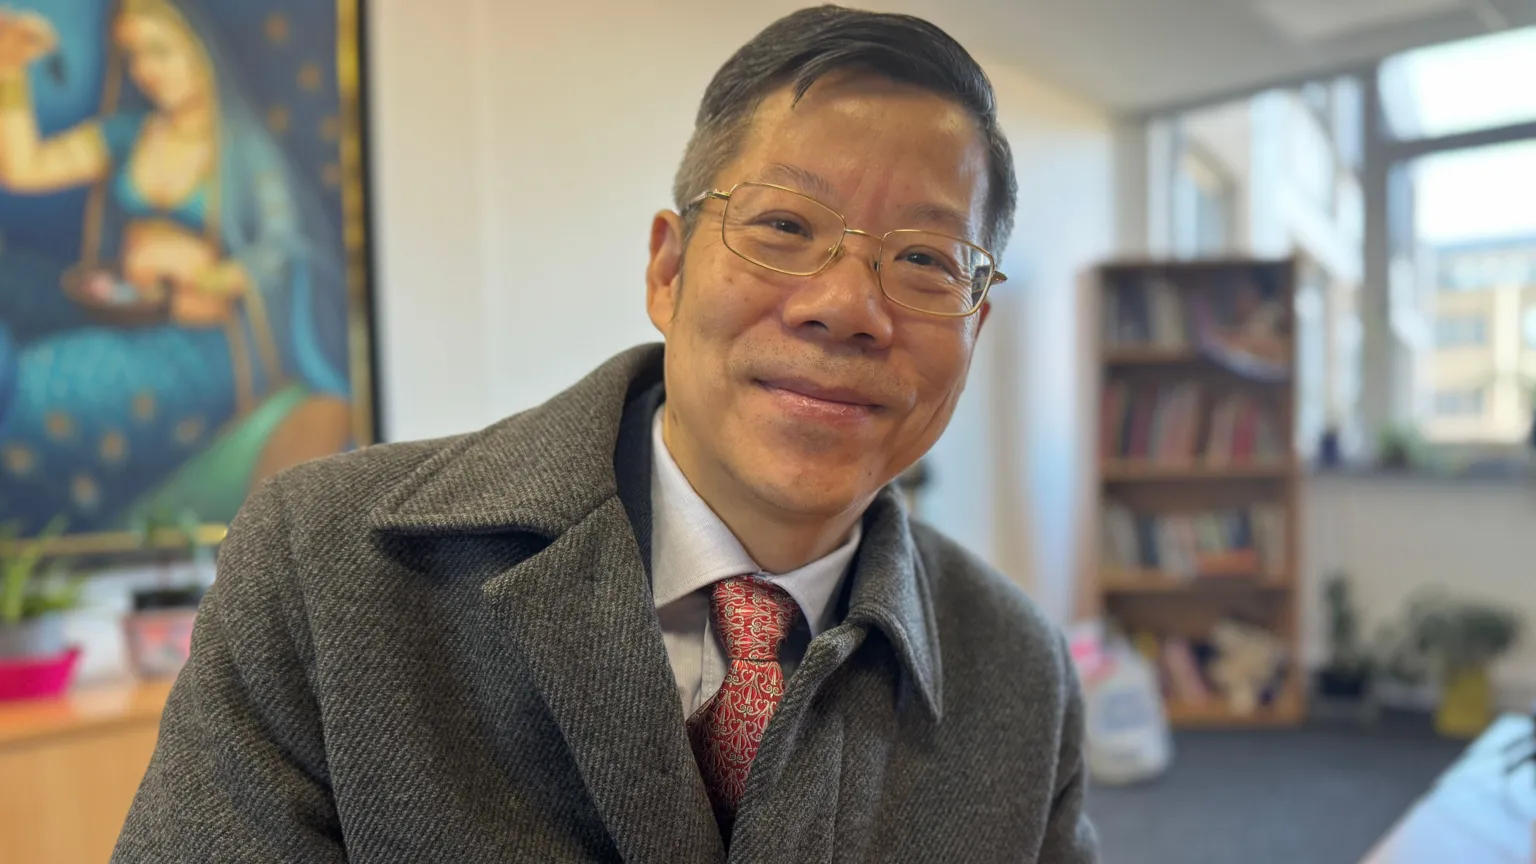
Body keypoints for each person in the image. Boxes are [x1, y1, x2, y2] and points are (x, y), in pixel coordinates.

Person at [112, 5, 1098, 862]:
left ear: (971, 327)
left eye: (927, 258)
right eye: (785, 226)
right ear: (667, 272)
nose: (845, 306)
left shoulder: (1020, 677)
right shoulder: (328, 566)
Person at [0, 0, 351, 535]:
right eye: (133, 54)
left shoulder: (243, 152)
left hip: (203, 353)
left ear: (201, 50)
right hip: (129, 325)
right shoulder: (129, 134)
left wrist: (197, 273)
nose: (147, 70)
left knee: (39, 392)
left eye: (160, 51)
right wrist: (10, 73)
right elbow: (25, 170)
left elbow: (284, 251)